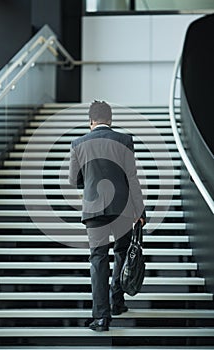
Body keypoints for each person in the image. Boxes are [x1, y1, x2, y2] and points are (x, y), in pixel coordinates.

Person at [69, 101, 146, 332]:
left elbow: (75, 181)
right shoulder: (124, 140)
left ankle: (101, 318)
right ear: (110, 120)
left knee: (98, 260)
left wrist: (89, 182)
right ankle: (117, 301)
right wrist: (140, 210)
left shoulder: (78, 144)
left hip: (93, 211)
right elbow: (132, 177)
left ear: (90, 121)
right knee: (122, 252)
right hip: (122, 209)